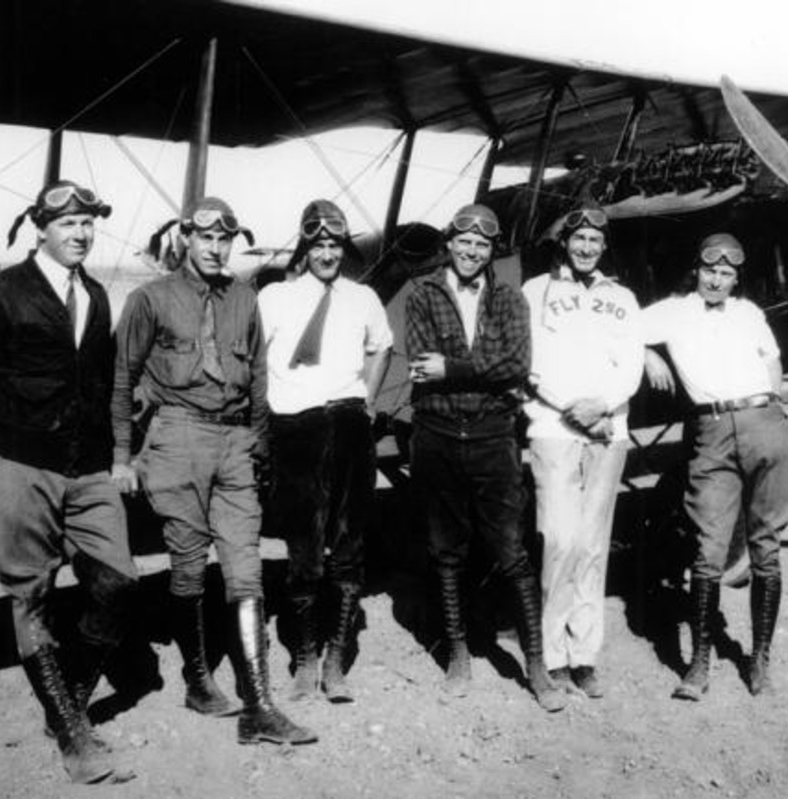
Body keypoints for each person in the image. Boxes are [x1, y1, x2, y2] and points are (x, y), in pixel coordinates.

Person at [0, 180, 136, 785]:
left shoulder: (98, 296)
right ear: (41, 230)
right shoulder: (1, 295)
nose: (80, 234)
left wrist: (117, 458)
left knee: (119, 582)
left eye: (88, 224)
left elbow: (103, 384)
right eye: (68, 225)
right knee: (31, 592)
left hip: (88, 468)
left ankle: (69, 703)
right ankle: (73, 737)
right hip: (19, 464)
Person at [111, 197, 316, 746]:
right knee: (189, 565)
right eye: (206, 238)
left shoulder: (244, 298)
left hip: (234, 442)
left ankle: (261, 707)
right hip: (176, 435)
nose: (216, 248)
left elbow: (259, 379)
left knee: (246, 566)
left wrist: (257, 440)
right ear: (185, 238)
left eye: (226, 240)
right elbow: (121, 381)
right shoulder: (148, 299)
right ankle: (198, 680)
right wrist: (121, 457)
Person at [406, 203, 566, 713]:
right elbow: (419, 362)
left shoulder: (510, 298)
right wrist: (478, 371)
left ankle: (536, 665)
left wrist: (451, 367)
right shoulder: (422, 292)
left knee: (511, 548)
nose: (472, 251)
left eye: (482, 245)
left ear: (491, 250)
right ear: (449, 243)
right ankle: (457, 652)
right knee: (445, 548)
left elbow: (517, 364)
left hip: (494, 434)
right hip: (436, 433)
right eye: (464, 242)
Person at [640, 232, 788, 700]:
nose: (717, 279)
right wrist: (648, 352)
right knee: (708, 550)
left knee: (765, 546)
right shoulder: (672, 311)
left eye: (727, 274)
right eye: (710, 270)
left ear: (736, 279)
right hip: (710, 432)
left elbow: (771, 362)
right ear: (697, 270)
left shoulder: (750, 314)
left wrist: (774, 412)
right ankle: (698, 666)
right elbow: (622, 328)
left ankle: (760, 663)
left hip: (765, 422)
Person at [258, 200, 393, 704]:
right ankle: (305, 656)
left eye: (336, 245)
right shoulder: (275, 297)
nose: (328, 253)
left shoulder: (363, 297)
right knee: (303, 548)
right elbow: (254, 360)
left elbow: (383, 346)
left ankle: (337, 657)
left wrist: (370, 400)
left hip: (349, 423)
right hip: (295, 427)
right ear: (305, 247)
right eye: (319, 245)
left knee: (350, 543)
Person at [521, 203, 644, 699]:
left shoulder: (625, 298)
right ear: (563, 243)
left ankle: (584, 655)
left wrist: (604, 405)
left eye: (595, 240)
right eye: (579, 240)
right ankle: (550, 655)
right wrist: (569, 405)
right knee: (558, 540)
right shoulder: (536, 292)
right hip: (555, 428)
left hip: (608, 430)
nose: (586, 248)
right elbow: (528, 360)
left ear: (604, 246)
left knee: (594, 544)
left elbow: (631, 362)